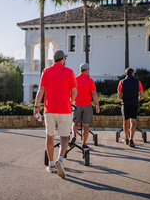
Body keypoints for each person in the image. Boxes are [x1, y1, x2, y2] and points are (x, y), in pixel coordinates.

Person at [34, 50, 77, 179]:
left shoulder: (46, 71)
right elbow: (74, 90)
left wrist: (36, 107)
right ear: (63, 59)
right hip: (65, 110)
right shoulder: (69, 72)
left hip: (50, 110)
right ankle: (60, 159)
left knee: (50, 136)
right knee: (64, 138)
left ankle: (51, 164)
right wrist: (71, 101)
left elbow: (41, 90)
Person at [71, 63, 100, 148]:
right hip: (87, 105)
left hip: (76, 105)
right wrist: (97, 105)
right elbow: (94, 94)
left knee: (75, 123)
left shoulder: (74, 79)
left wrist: (71, 102)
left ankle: (74, 135)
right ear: (87, 70)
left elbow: (71, 92)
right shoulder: (90, 81)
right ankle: (84, 143)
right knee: (86, 126)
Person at [117, 68, 144, 147]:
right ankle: (131, 139)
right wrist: (137, 100)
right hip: (134, 103)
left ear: (126, 74)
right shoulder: (137, 82)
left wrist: (124, 99)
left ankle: (126, 138)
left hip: (125, 103)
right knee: (133, 122)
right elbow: (142, 95)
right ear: (133, 73)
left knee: (125, 121)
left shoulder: (121, 82)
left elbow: (119, 95)